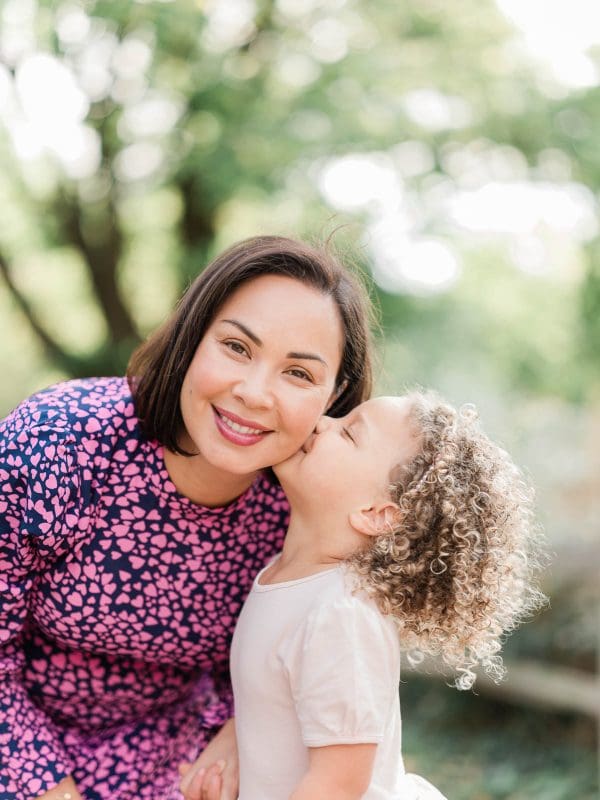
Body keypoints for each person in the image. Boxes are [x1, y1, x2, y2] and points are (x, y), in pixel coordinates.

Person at [0, 235, 376, 800]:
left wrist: (238, 727)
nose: (253, 393)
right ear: (192, 337)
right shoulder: (59, 442)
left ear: (334, 395)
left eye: (298, 374)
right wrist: (45, 788)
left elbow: (299, 656)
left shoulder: (305, 507)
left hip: (176, 766)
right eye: (236, 347)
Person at [181, 391, 546, 799]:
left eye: (349, 433)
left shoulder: (340, 615)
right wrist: (235, 745)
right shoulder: (283, 575)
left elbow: (336, 785)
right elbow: (278, 694)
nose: (321, 422)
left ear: (376, 513)